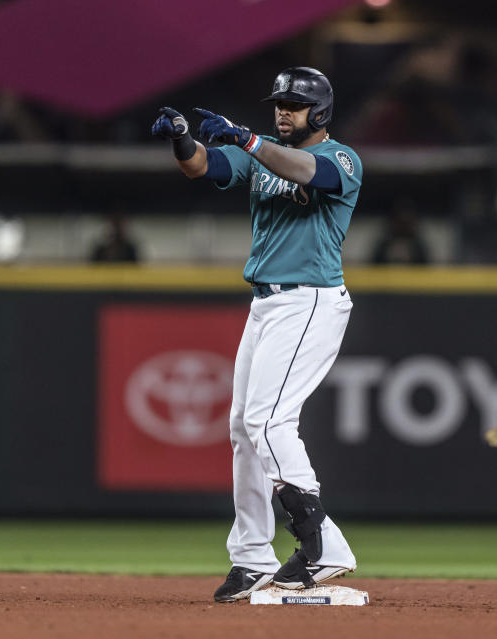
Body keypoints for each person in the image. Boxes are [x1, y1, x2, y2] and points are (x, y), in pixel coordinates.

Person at [152, 67, 361, 602]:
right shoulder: (262, 150)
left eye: (294, 104)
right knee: (243, 429)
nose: (283, 111)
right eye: (278, 103)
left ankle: (323, 546)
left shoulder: (341, 158)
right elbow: (202, 166)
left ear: (320, 112)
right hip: (266, 303)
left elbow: (307, 173)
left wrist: (248, 137)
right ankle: (251, 558)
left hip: (310, 300)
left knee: (269, 421)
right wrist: (182, 139)